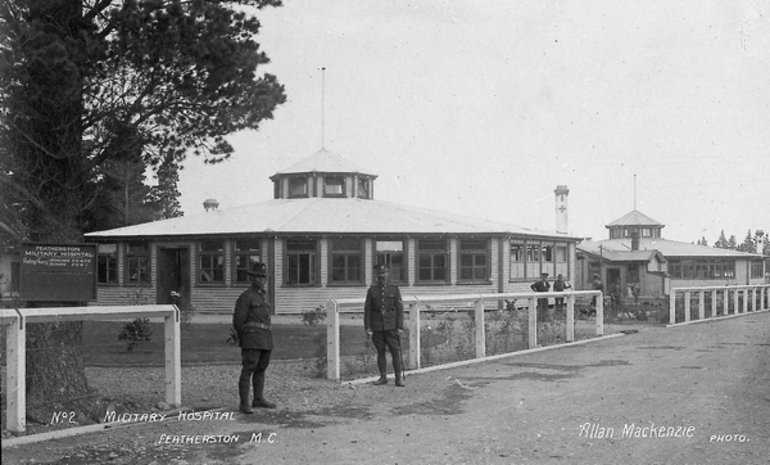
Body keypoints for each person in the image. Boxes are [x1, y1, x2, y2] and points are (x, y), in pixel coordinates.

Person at [232, 262, 276, 414]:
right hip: (252, 339)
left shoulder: (262, 296)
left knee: (261, 368)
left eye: (263, 277)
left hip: (265, 338)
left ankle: (258, 399)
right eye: (258, 276)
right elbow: (238, 321)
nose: (261, 279)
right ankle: (244, 404)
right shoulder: (246, 297)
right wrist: (245, 338)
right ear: (252, 277)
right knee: (249, 368)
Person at [364, 263, 405, 387]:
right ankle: (383, 377)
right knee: (380, 352)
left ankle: (398, 378)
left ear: (388, 274)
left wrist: (399, 327)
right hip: (377, 325)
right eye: (380, 273)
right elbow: (367, 310)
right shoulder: (372, 290)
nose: (382, 275)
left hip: (391, 326)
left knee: (395, 351)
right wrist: (368, 327)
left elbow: (399, 309)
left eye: (384, 273)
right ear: (377, 275)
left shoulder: (394, 289)